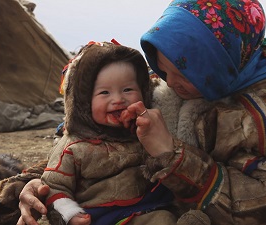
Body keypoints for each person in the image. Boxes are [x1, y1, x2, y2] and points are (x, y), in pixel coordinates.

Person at [0, 0, 266, 224]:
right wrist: (35, 183)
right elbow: (97, 143)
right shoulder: (173, 83)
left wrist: (171, 156)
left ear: (212, 63)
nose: (166, 83)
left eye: (180, 72)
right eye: (160, 69)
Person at [40, 40, 183, 225]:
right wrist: (70, 214)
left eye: (128, 89)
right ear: (83, 101)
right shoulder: (73, 146)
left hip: (150, 207)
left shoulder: (146, 132)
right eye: (104, 93)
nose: (118, 99)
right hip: (100, 217)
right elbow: (53, 185)